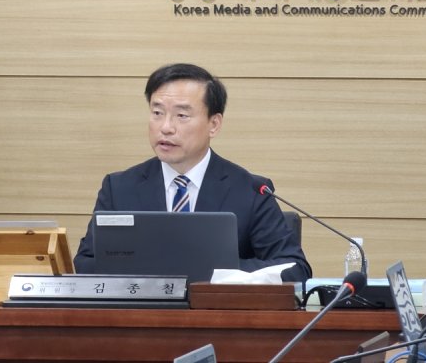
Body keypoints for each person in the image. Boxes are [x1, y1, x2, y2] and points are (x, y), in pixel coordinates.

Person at [74, 63, 311, 283]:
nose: (166, 127)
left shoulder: (250, 191)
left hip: (217, 313)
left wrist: (206, 270)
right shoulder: (119, 188)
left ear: (214, 124)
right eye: (157, 113)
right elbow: (85, 263)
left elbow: (295, 268)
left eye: (182, 116)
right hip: (142, 312)